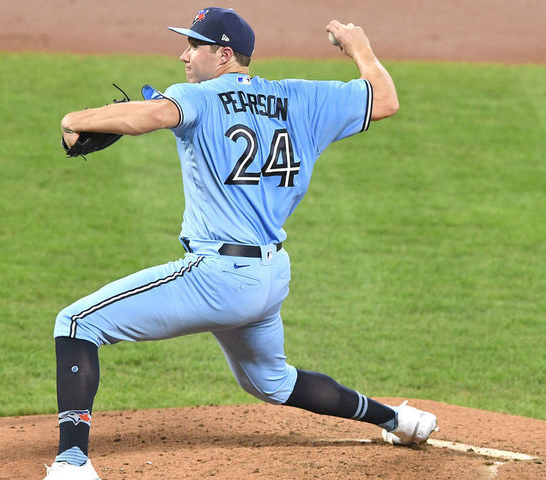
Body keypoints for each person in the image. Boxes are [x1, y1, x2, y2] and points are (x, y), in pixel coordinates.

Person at [45, 7, 437, 479]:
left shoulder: (198, 97)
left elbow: (153, 114)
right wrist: (358, 47)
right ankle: (400, 420)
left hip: (219, 278)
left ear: (224, 54)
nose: (184, 55)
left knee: (75, 323)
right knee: (275, 382)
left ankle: (71, 464)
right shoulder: (302, 98)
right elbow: (385, 100)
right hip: (270, 277)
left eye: (194, 46)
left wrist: (75, 117)